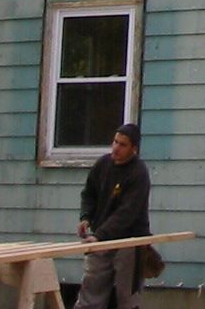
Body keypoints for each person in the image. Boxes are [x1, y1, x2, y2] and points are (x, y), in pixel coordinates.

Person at [75, 123, 151, 309]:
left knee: (127, 297)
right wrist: (86, 217)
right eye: (115, 142)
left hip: (129, 242)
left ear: (134, 149)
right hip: (100, 239)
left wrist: (99, 235)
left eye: (123, 145)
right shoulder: (103, 164)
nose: (116, 148)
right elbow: (89, 194)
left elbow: (127, 213)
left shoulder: (139, 173)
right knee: (90, 293)